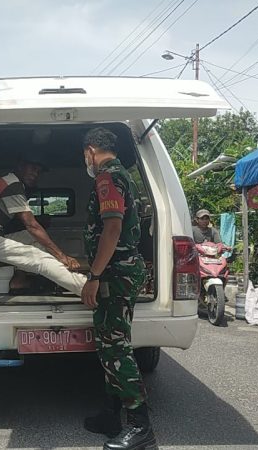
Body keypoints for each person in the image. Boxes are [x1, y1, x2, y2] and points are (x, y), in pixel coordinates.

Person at [80, 127, 155, 450]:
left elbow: (112, 228)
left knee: (117, 349)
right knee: (108, 346)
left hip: (116, 274)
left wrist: (94, 275)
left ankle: (140, 427)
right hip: (119, 271)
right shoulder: (122, 174)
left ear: (90, 151)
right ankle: (112, 415)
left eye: (84, 155)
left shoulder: (107, 177)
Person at [0, 157, 87, 295]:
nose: (35, 174)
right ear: (20, 165)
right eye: (33, 168)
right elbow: (31, 225)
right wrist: (61, 256)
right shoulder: (11, 185)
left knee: (31, 238)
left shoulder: (12, 183)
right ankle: (84, 288)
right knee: (39, 259)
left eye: (39, 171)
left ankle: (20, 281)